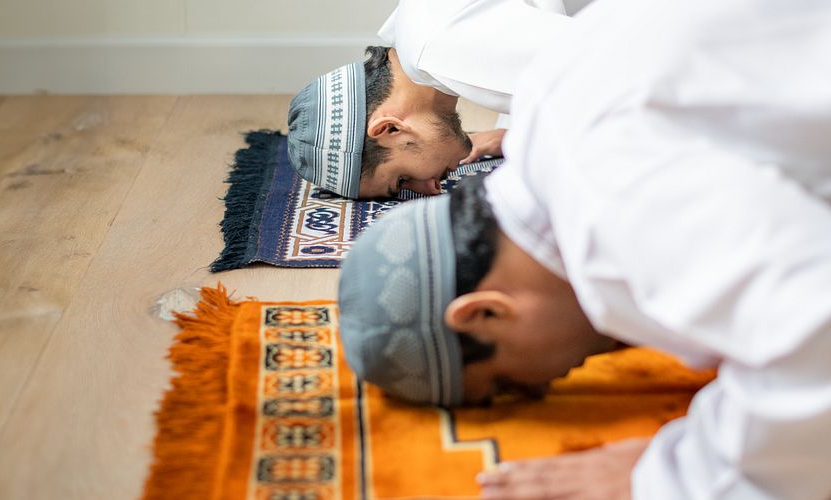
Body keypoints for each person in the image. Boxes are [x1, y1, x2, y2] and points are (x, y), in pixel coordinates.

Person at [337, 0, 831, 497]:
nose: (555, 383)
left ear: (483, 313)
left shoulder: (608, 201)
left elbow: (815, 331)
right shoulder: (550, 124)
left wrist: (678, 474)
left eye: (514, 384)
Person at [286, 0, 583, 199]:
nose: (431, 189)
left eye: (402, 180)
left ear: (389, 128)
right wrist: (517, 135)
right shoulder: (415, 29)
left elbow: (619, 71)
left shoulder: (444, 48)